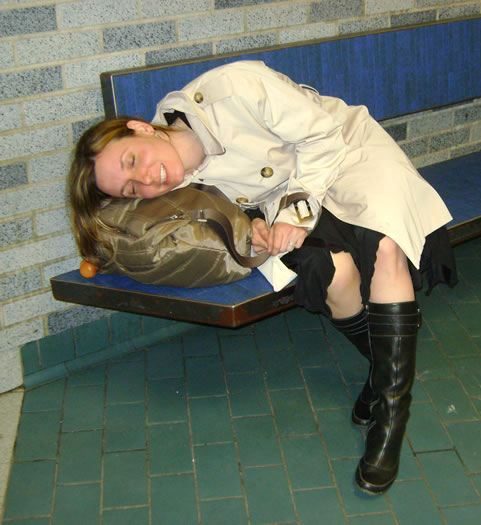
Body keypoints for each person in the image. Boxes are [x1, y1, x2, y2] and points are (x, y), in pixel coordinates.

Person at [68, 60, 457, 494]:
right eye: (130, 190)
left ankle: (390, 418)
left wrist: (293, 213)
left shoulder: (233, 88)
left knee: (385, 245)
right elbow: (231, 208)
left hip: (347, 152)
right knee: (332, 270)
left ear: (141, 128)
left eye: (132, 160)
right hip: (283, 199)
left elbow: (323, 135)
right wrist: (251, 223)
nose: (145, 180)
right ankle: (385, 372)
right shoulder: (175, 184)